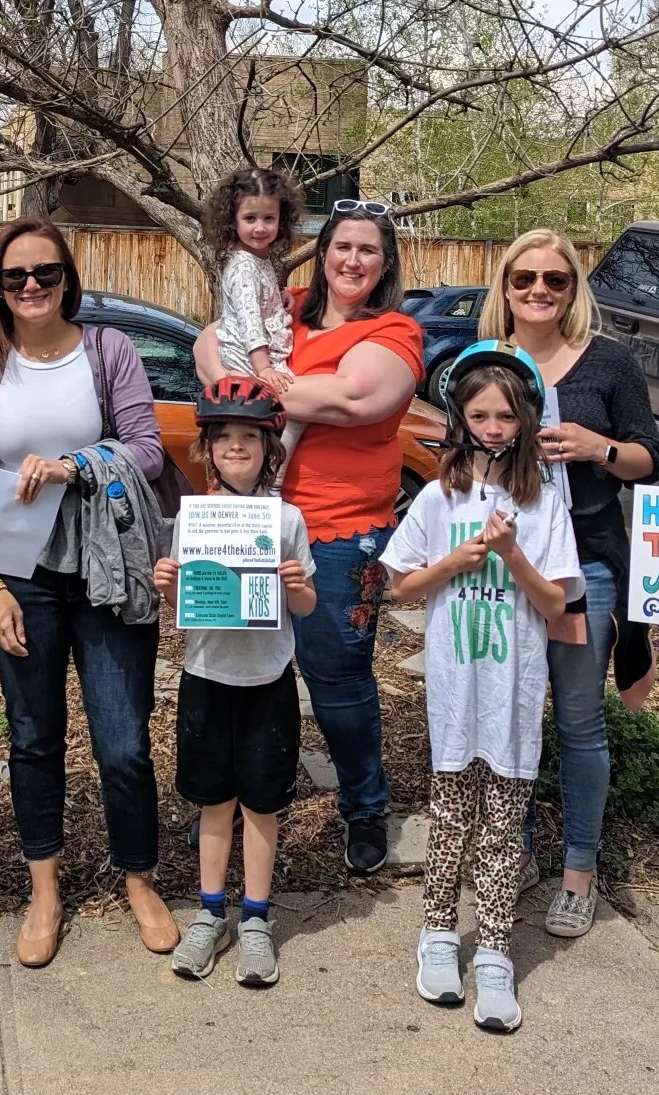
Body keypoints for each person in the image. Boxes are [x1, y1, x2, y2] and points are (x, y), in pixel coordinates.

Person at [0, 216, 179, 968]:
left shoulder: (108, 351)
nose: (33, 287)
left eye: (46, 273)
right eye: (16, 277)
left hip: (107, 572)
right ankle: (44, 889)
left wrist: (73, 465)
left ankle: (139, 878)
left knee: (123, 743)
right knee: (34, 737)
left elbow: (145, 451)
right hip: (20, 578)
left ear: (66, 279)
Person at [196, 198, 424, 873]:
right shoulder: (284, 306)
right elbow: (208, 343)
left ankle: (364, 805)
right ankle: (239, 804)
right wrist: (267, 385)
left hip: (336, 531)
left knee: (337, 676)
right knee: (245, 676)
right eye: (342, 246)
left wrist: (248, 391)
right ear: (323, 252)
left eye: (368, 251)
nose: (352, 260)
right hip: (250, 522)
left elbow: (357, 400)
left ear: (384, 265)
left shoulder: (395, 330)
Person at [381, 341, 581, 1033]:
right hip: (456, 689)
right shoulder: (440, 496)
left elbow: (555, 604)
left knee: (503, 826)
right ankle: (438, 932)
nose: (493, 427)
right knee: (450, 816)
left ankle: (494, 946)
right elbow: (400, 583)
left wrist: (510, 554)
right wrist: (456, 560)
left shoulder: (543, 500)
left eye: (505, 415)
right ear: (460, 418)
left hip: (514, 691)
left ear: (525, 419)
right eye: (480, 414)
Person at [477, 227, 659, 936]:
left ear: (573, 288)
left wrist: (600, 447)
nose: (539, 291)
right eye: (524, 278)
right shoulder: (484, 362)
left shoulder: (610, 363)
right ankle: (515, 846)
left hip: (584, 562)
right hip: (500, 564)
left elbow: (650, 457)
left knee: (579, 718)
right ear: (505, 285)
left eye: (555, 279)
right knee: (513, 706)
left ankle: (578, 870)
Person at [153, 376, 317, 986]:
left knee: (262, 803)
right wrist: (167, 585)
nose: (238, 448)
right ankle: (210, 911)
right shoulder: (192, 519)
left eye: (250, 437)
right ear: (209, 451)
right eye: (225, 439)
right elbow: (182, 607)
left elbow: (304, 607)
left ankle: (255, 919)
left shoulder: (288, 519)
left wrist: (299, 586)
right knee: (213, 801)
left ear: (270, 448)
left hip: (268, 679)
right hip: (206, 676)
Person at [201, 166, 305, 478]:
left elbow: (257, 304)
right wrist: (264, 369)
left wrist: (279, 297)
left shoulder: (256, 260)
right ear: (232, 221)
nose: (260, 228)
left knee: (262, 428)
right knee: (294, 415)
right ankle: (273, 478)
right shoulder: (244, 266)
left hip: (251, 360)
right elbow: (249, 323)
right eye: (250, 219)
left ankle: (264, 478)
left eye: (268, 219)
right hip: (249, 362)